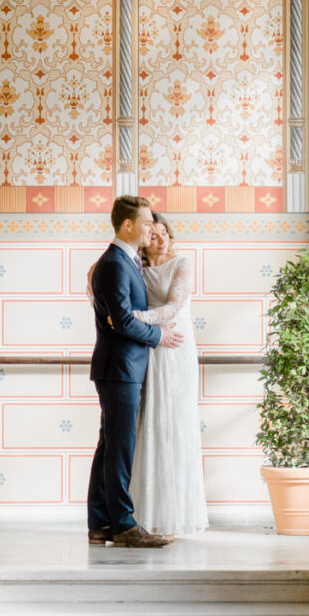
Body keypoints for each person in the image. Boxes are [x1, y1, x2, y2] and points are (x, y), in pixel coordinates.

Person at [87, 196, 183, 548]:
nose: (150, 229)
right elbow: (123, 320)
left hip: (120, 367)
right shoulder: (114, 263)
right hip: (120, 368)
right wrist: (159, 336)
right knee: (120, 448)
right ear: (128, 225)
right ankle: (124, 526)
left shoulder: (124, 261)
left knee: (110, 445)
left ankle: (100, 523)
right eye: (145, 224)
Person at [129, 213, 208, 536]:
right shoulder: (137, 267)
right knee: (149, 424)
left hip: (175, 347)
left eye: (165, 233)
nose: (161, 239)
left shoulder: (182, 264)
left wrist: (132, 317)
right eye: (154, 234)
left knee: (174, 423)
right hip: (148, 347)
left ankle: (175, 516)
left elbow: (174, 306)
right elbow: (95, 278)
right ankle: (146, 514)